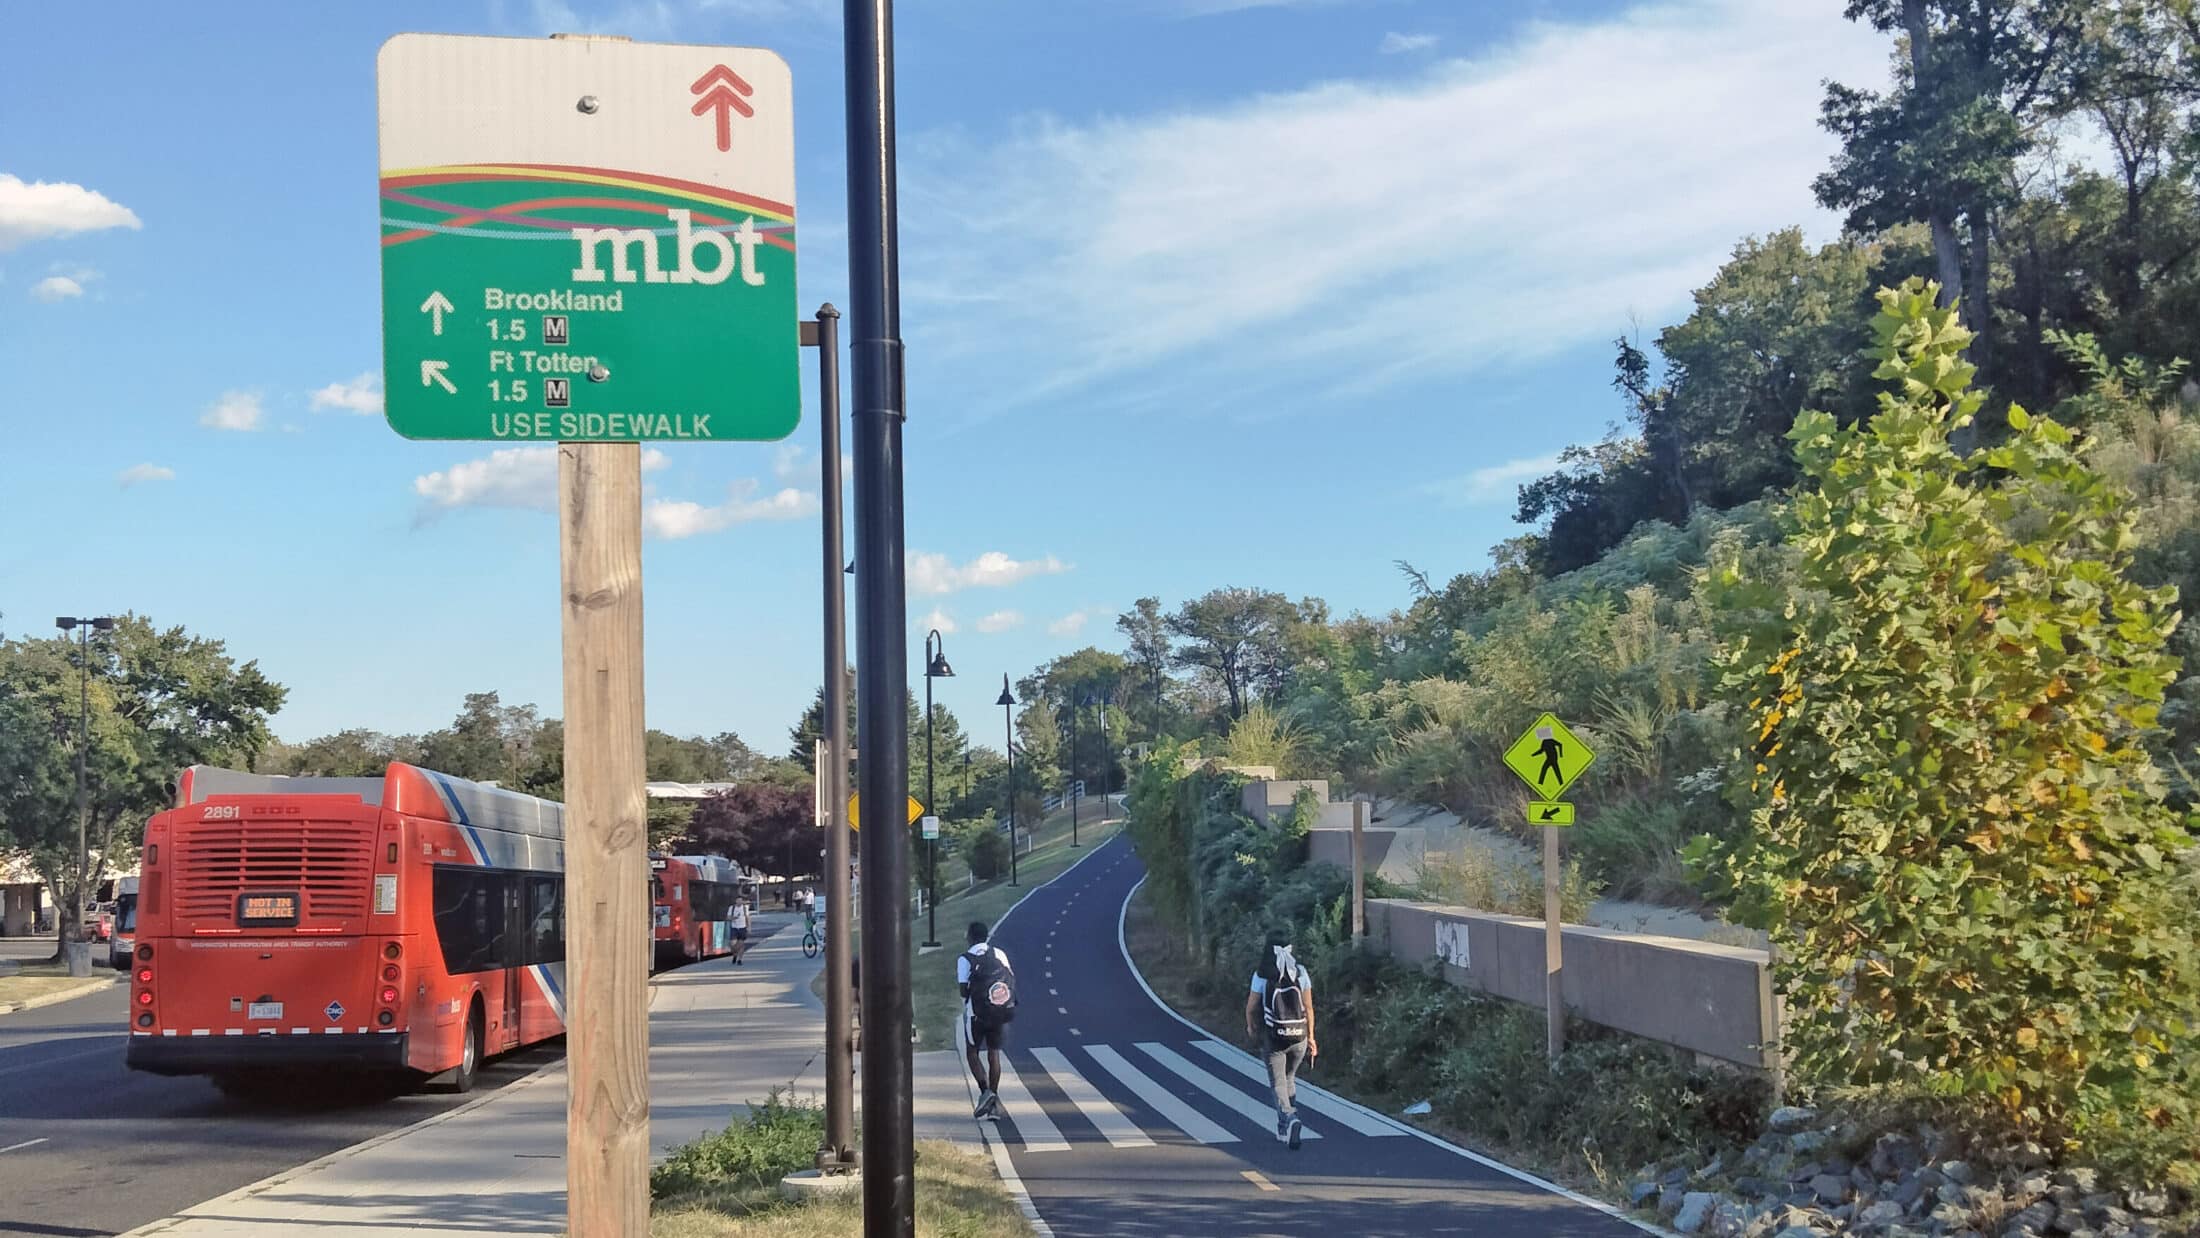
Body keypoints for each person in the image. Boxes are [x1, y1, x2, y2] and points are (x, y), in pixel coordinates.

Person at [1246, 930, 1317, 1149]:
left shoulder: (1262, 974)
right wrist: (1312, 1038)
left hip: (1274, 1037)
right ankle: (1284, 1126)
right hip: (1299, 1036)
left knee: (1278, 1082)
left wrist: (1251, 1026)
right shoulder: (1301, 972)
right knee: (1289, 1078)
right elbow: (1308, 1008)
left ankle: (1289, 1117)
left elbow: (1251, 1007)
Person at [958, 920, 1016, 1119]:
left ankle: (985, 1092)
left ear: (970, 937)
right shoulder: (999, 954)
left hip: (976, 1014)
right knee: (994, 1055)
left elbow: (963, 990)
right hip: (999, 1012)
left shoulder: (965, 959)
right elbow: (1010, 979)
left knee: (972, 1053)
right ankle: (994, 1102)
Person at [728, 895, 750, 965]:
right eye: (738, 900)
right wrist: (733, 918)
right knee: (732, 945)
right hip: (734, 928)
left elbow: (747, 918)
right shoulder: (732, 908)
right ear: (736, 901)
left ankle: (739, 960)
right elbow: (728, 917)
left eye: (741, 900)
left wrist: (749, 927)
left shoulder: (745, 908)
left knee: (741, 944)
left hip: (742, 928)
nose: (739, 902)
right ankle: (734, 954)